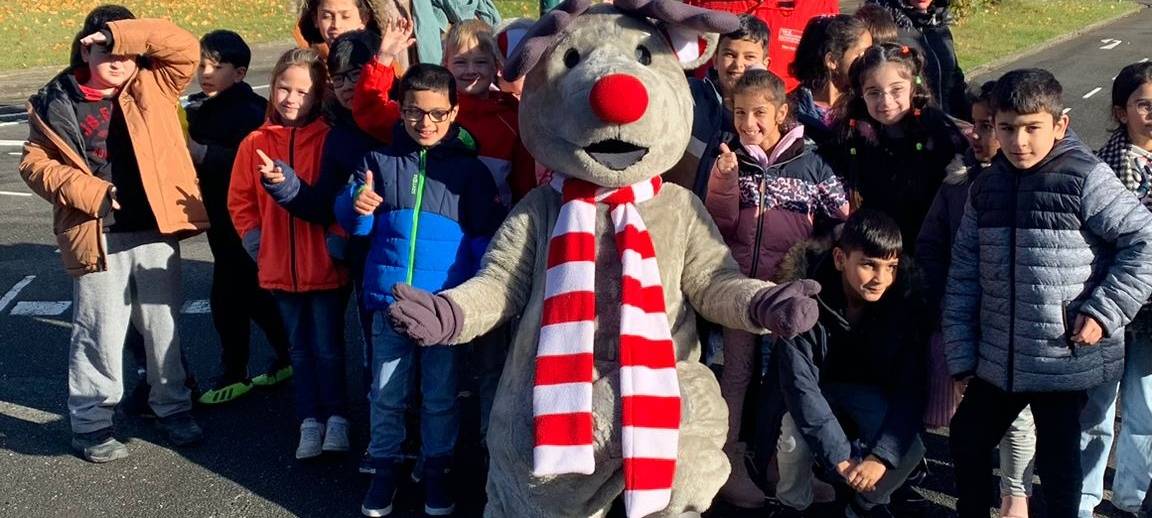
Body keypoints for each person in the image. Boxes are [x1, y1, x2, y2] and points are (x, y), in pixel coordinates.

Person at [944, 68, 1152, 518]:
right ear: (994, 126)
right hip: (999, 358)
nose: (1020, 142)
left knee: (1060, 466)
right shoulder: (987, 186)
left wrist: (1104, 311)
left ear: (1061, 125)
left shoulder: (1086, 177)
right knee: (967, 437)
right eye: (1008, 128)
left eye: (1032, 128)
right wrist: (961, 355)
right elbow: (963, 273)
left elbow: (1143, 241)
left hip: (1063, 357)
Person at [19, 5, 208, 462]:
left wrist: (121, 35)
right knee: (98, 328)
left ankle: (171, 406)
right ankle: (91, 422)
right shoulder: (55, 100)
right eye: (104, 49)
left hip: (154, 227)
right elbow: (33, 163)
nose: (118, 58)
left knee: (162, 326)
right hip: (97, 230)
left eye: (127, 49)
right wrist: (91, 192)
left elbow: (183, 45)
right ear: (85, 50)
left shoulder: (155, 83)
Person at [335, 63, 504, 518]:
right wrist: (357, 207)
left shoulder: (469, 174)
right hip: (389, 303)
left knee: (440, 397)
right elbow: (353, 223)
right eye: (413, 111)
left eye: (435, 113)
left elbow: (483, 242)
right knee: (386, 394)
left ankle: (436, 471)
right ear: (400, 110)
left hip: (441, 308)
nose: (424, 122)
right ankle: (385, 470)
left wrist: (467, 298)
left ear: (453, 114)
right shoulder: (377, 162)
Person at [704, 68, 850, 508]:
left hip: (788, 296)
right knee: (737, 377)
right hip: (740, 293)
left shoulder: (811, 161)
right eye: (740, 112)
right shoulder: (732, 160)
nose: (749, 123)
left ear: (782, 113)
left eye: (759, 113)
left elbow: (842, 213)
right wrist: (725, 181)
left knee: (786, 382)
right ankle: (728, 462)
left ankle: (781, 467)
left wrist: (818, 253)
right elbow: (720, 222)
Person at [916, 80, 1037, 518]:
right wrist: (941, 292)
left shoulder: (1032, 184)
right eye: (977, 124)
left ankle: (1015, 495)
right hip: (967, 316)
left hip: (1016, 322)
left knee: (1018, 417)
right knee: (970, 418)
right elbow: (930, 244)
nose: (979, 135)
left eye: (991, 126)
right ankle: (977, 498)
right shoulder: (956, 182)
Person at [761, 209, 928, 517]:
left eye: (890, 267)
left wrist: (881, 457)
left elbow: (911, 387)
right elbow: (801, 389)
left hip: (863, 391)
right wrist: (839, 455)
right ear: (840, 259)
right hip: (814, 390)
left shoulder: (902, 305)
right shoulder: (802, 304)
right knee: (794, 437)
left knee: (910, 449)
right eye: (869, 265)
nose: (881, 279)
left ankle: (866, 504)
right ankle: (791, 503)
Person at [228, 48, 352, 460]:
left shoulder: (330, 139)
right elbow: (240, 201)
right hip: (279, 267)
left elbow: (343, 196)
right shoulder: (254, 143)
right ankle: (308, 420)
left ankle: (338, 418)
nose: (291, 98)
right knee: (299, 349)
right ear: (273, 86)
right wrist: (256, 242)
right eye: (284, 87)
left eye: (303, 90)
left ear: (318, 95)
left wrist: (337, 237)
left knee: (330, 348)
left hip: (325, 266)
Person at [184, 30, 293, 405]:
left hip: (246, 220)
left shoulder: (250, 111)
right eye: (201, 64)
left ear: (241, 72)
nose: (206, 72)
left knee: (230, 297)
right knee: (252, 294)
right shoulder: (202, 108)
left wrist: (204, 154)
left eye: (217, 65)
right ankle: (288, 355)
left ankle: (235, 372)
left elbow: (256, 164)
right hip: (219, 219)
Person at [1080, 61, 1152, 518]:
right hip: (1109, 307)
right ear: (1120, 112)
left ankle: (1130, 497)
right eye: (1143, 104)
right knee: (1097, 410)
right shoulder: (1106, 166)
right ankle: (1083, 497)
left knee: (1145, 411)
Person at [833, 42, 967, 252]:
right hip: (874, 249)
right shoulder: (852, 136)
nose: (886, 101)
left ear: (914, 87)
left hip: (930, 247)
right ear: (861, 94)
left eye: (896, 90)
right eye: (874, 92)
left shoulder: (938, 136)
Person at [665, 14, 770, 198]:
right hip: (682, 211)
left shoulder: (773, 114)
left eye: (749, 57)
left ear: (765, 64)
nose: (738, 65)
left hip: (740, 221)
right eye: (729, 54)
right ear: (714, 58)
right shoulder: (688, 95)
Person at [864, 0, 969, 120]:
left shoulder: (939, 23)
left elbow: (955, 81)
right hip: (910, 129)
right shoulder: (883, 29)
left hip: (947, 127)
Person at [788, 14, 872, 148]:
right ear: (832, 61)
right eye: (861, 54)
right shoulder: (789, 112)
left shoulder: (867, 105)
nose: (868, 62)